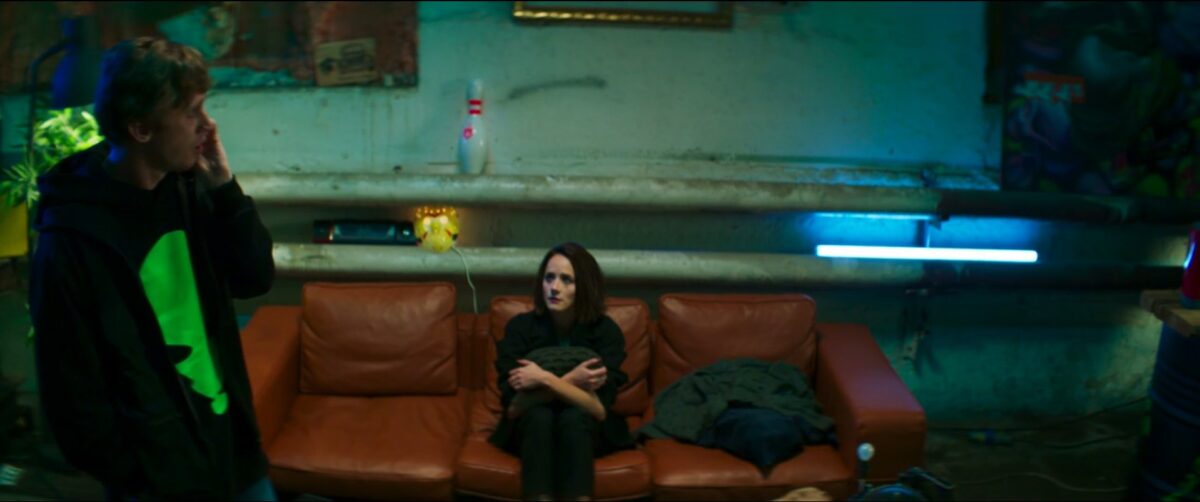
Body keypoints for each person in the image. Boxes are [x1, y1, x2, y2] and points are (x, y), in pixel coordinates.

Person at [27, 37, 276, 500]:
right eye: (191, 112)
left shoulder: (191, 188)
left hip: (234, 453)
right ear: (141, 129)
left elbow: (254, 278)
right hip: (158, 480)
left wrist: (225, 189)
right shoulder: (70, 240)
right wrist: (135, 473)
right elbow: (70, 396)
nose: (208, 125)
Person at [489, 242, 634, 501]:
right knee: (539, 417)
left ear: (585, 286)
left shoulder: (605, 332)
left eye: (567, 280)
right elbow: (514, 408)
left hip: (586, 427)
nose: (554, 288)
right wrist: (573, 382)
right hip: (530, 427)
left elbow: (598, 409)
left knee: (574, 419)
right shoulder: (520, 328)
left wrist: (545, 378)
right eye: (549, 278)